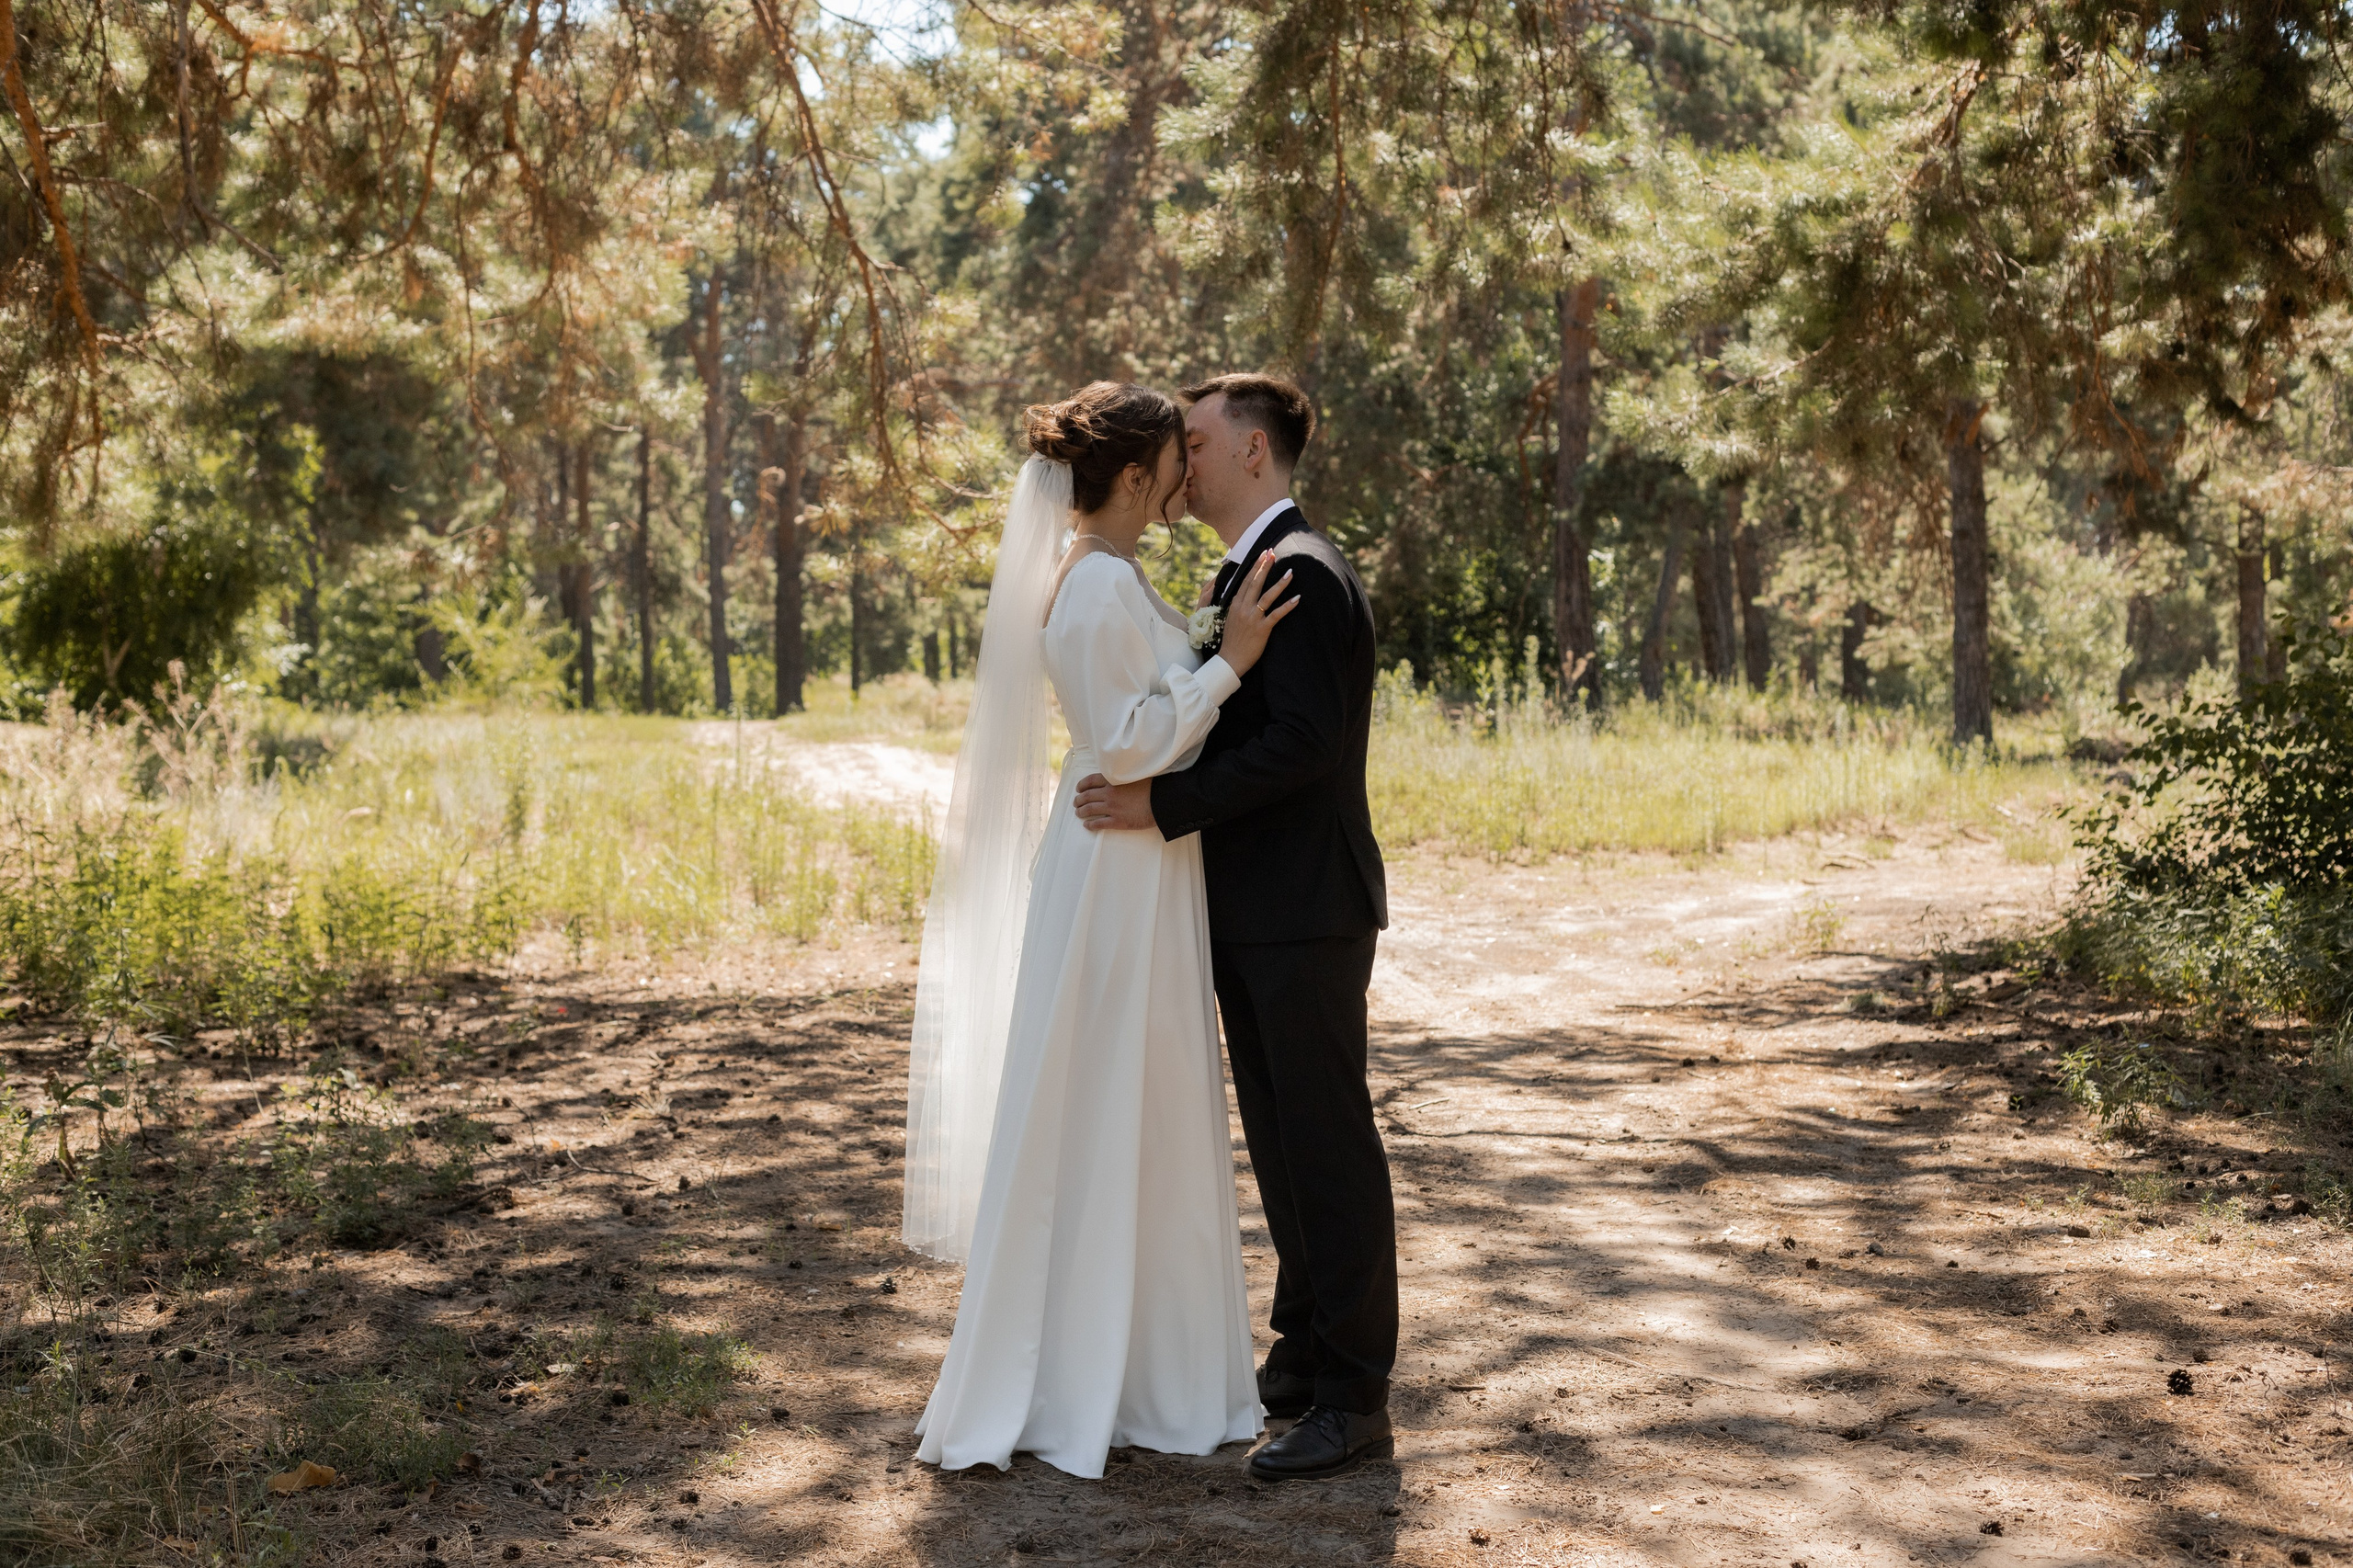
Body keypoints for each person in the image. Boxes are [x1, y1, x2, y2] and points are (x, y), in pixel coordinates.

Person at [904, 381, 1301, 1478]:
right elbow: (1126, 745)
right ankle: (1075, 1374)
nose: (1189, 472)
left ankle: (1146, 1367)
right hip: (1114, 872)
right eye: (1177, 455)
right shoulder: (1085, 590)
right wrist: (1230, 663)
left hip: (1146, 864)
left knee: (1148, 1098)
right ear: (1133, 477)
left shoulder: (1118, 575)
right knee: (1099, 1094)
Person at [1074, 373, 1394, 1483]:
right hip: (1256, 911)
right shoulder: (1245, 570)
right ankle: (1302, 1358)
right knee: (1285, 1144)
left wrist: (1160, 806)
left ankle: (1354, 1398)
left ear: (1254, 452)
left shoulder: (1299, 570)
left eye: (1200, 440)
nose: (1182, 459)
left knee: (1327, 1147)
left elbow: (1300, 741)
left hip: (1304, 909)